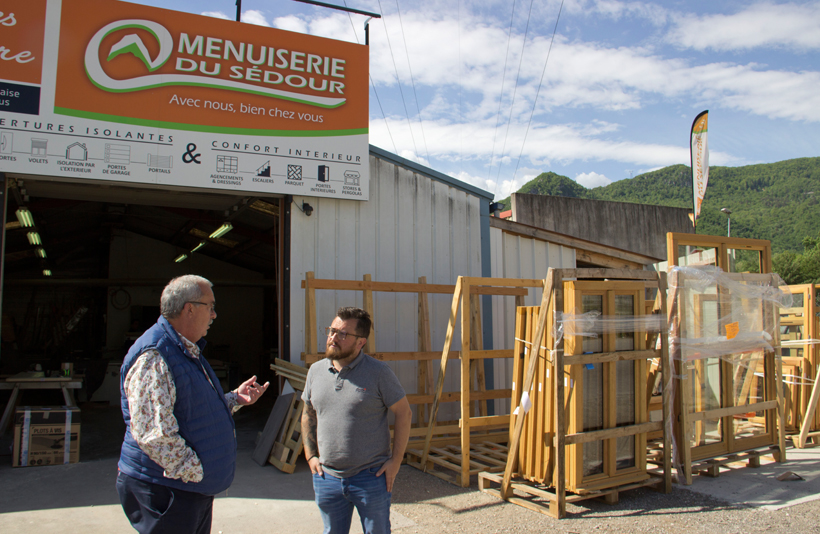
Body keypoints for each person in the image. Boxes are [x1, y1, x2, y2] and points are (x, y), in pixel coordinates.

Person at [116, 275, 269, 534]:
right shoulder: (155, 355)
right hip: (170, 489)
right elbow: (154, 435)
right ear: (189, 309)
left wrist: (233, 399)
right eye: (210, 306)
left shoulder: (184, 349)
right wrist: (196, 471)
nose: (214, 315)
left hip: (186, 486)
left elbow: (190, 410)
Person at [302, 306, 412, 534]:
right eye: (331, 331)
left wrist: (396, 461)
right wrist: (310, 455)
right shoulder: (315, 371)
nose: (333, 338)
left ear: (361, 342)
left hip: (370, 478)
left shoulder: (379, 372)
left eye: (342, 334)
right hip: (327, 478)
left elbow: (404, 412)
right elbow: (308, 413)